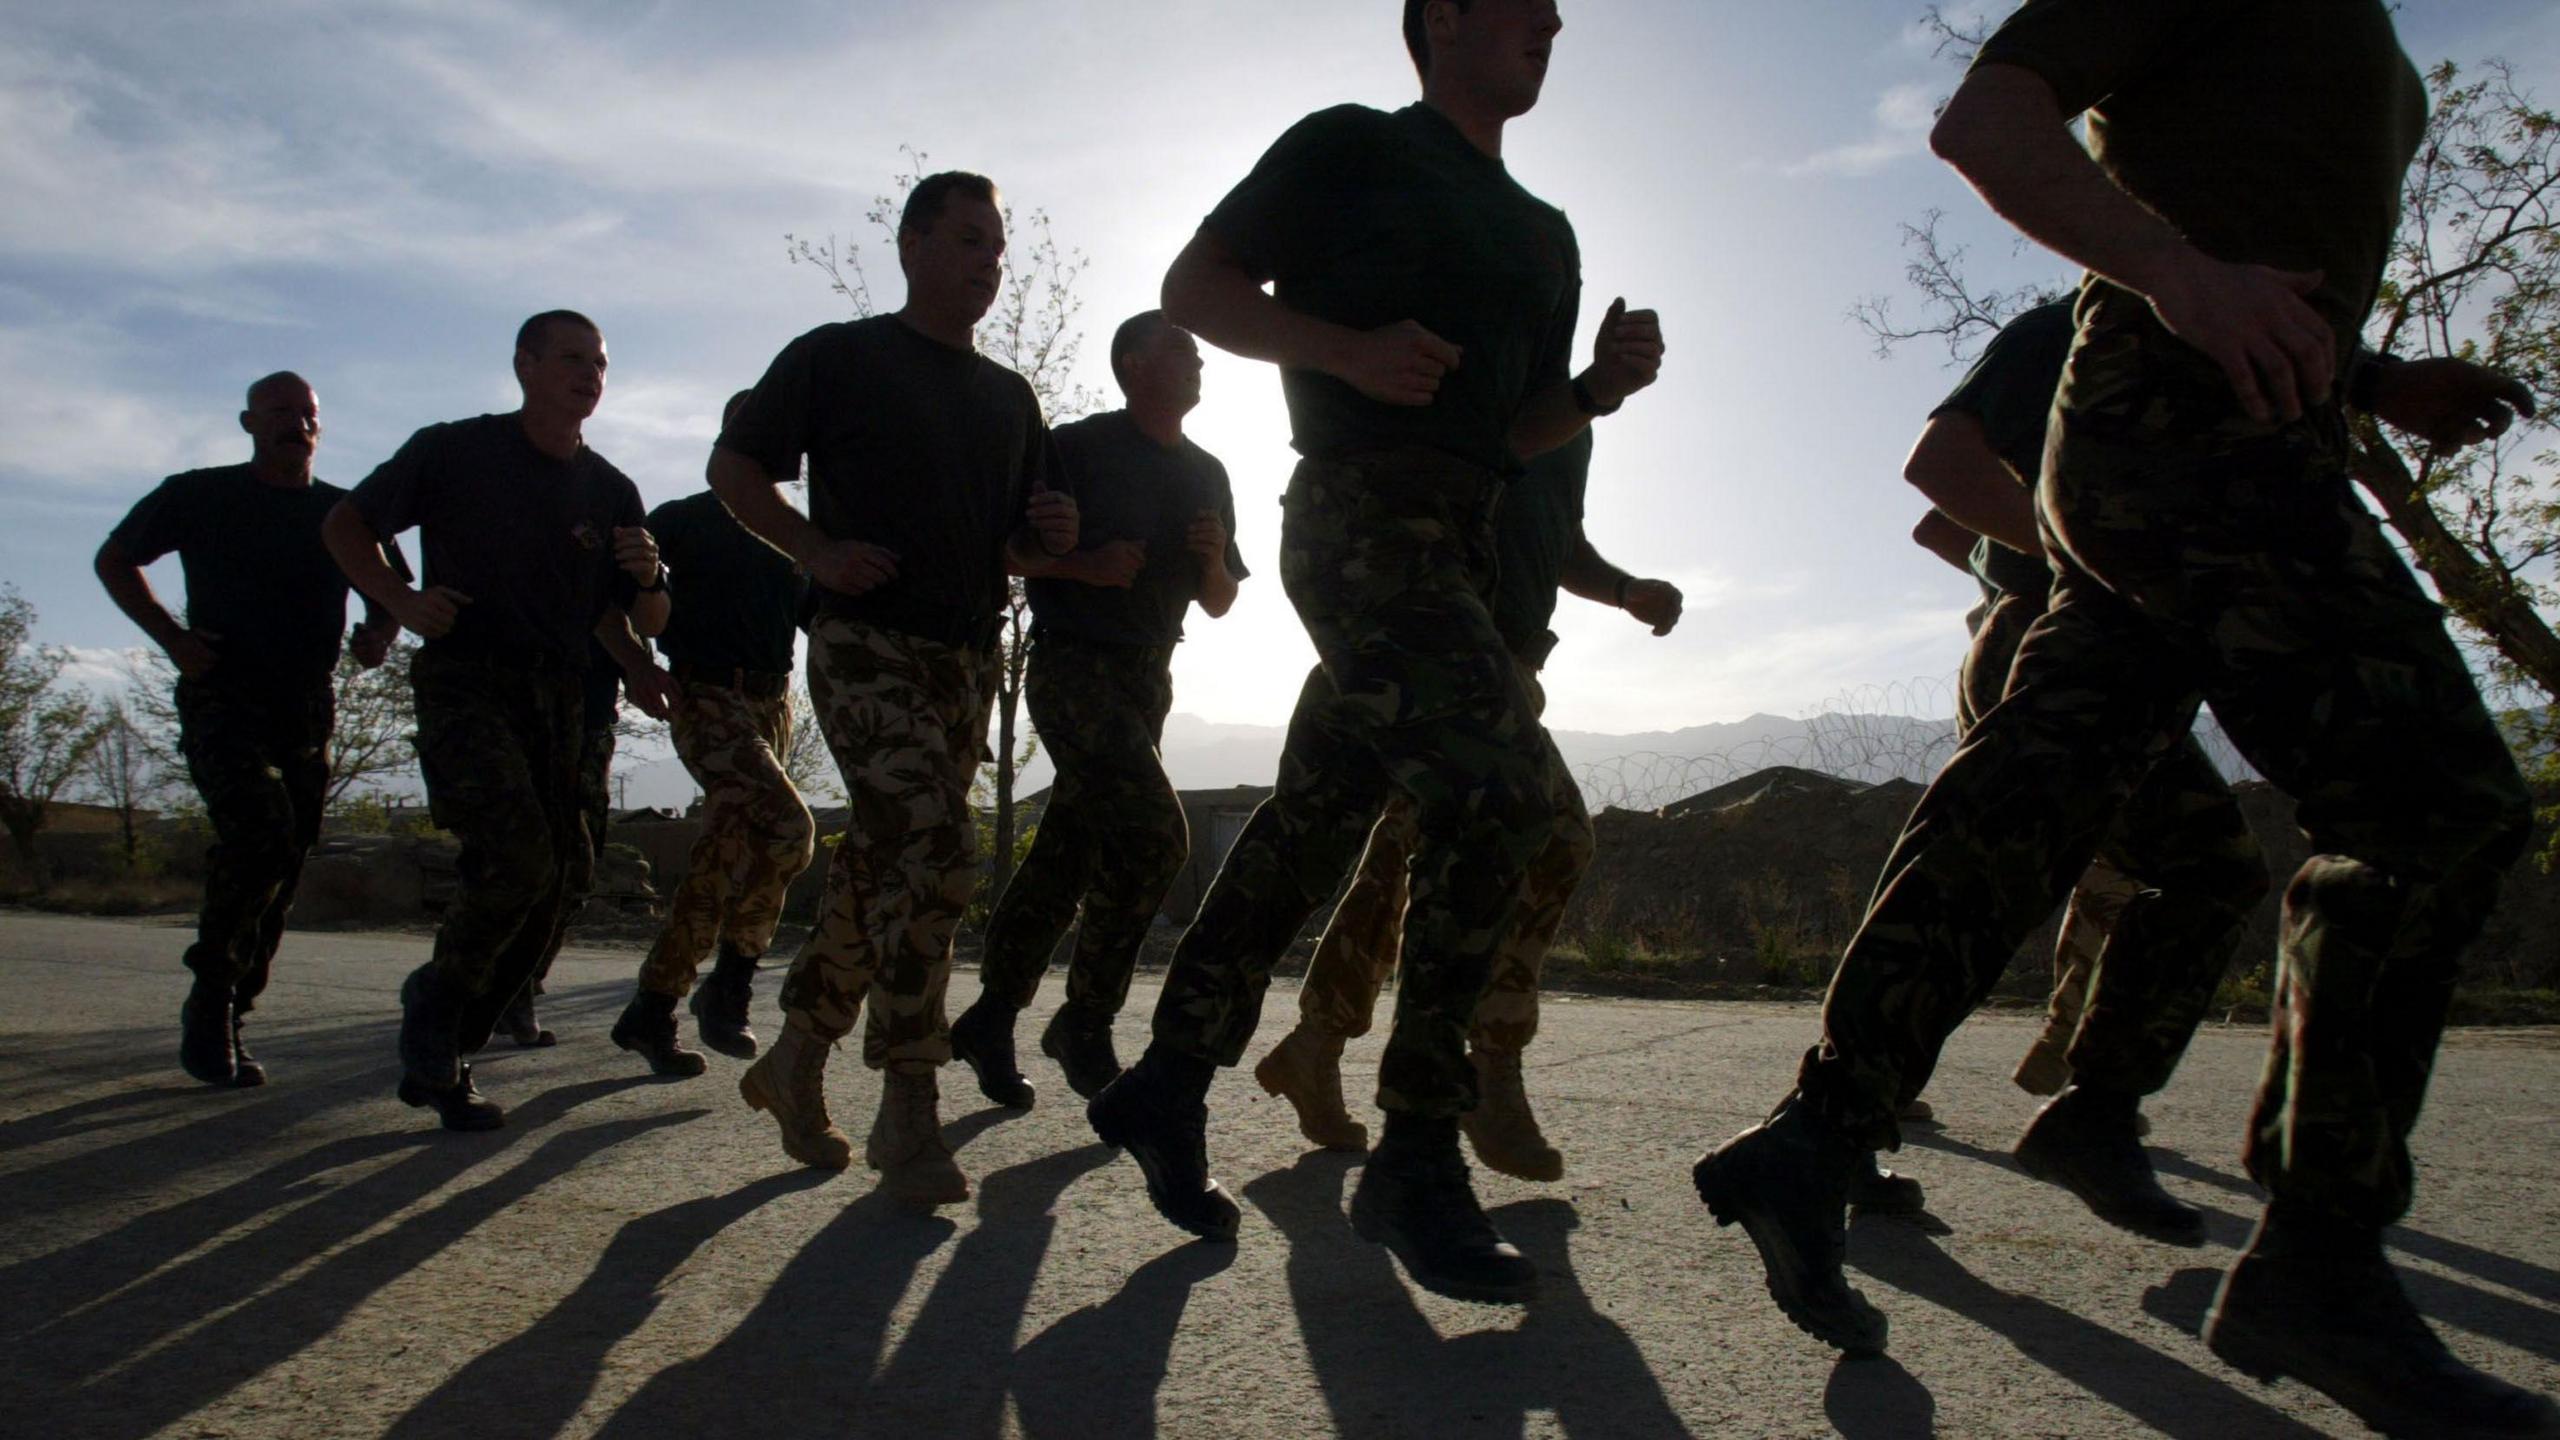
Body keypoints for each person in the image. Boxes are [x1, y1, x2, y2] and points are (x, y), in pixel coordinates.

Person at [1692, 8, 2558, 1434]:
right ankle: (2321, 1267)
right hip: (2183, 425)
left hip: (2218, 429)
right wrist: (2175, 277)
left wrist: (2379, 383)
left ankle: (1820, 1134)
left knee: (2035, 794)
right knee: (2438, 806)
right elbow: (1987, 120)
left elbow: (2255, 223)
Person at [1087, 0, 1663, 1306]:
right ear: (1443, 16)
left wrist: (1594, 397)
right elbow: (1194, 287)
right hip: (1356, 521)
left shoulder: (1545, 234)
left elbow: (1511, 439)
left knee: (1310, 825)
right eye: (1523, 4)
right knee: (1504, 799)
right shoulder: (1354, 146)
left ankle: (1166, 1082)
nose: (1554, 21)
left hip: (1454, 546)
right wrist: (1342, 347)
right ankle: (1414, 1150)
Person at [708, 171, 1079, 1208]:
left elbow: (1002, 543)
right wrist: (815, 550)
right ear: (913, 244)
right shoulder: (839, 356)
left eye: (996, 248)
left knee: (886, 870)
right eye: (967, 240)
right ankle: (909, 1104)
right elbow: (736, 470)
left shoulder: (1011, 398)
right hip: (863, 644)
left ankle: (792, 1061)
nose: (986, 263)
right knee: (935, 843)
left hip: (963, 659)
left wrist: (1039, 543)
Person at [1899, 298, 2271, 1239]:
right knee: (2011, 886)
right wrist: (2071, 563)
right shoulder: (2074, 327)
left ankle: (1843, 1121)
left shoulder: (2216, 339)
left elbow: (1948, 534)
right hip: (2051, 647)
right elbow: (1938, 476)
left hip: (2100, 651)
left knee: (1998, 886)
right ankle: (1843, 1118)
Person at [1251, 430, 1678, 1184]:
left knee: (1408, 852)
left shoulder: (1569, 425)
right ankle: (1485, 1064)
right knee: (1550, 837)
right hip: (1437, 644)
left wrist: (1622, 588)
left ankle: (1314, 1046)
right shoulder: (1494, 379)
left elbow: (1558, 537)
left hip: (1500, 661)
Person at [325, 310, 669, 1131]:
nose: (589, 374)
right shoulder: (453, 451)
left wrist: (651, 583)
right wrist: (401, 601)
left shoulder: (612, 490)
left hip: (562, 699)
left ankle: (449, 1023)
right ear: (525, 365)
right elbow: (345, 525)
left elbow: (640, 618)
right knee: (516, 853)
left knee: (566, 875)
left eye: (601, 363)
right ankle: (441, 1019)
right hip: (468, 683)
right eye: (571, 359)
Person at [947, 311, 1245, 1107]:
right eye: (1184, 349)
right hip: (1074, 665)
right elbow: (1009, 550)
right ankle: (1084, 1019)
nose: (1199, 363)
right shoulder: (1076, 448)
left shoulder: (1209, 472)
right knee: (1154, 836)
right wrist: (1085, 566)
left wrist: (1215, 560)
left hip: (1151, 679)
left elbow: (1219, 601)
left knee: (1066, 857)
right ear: (1136, 363)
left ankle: (989, 1016)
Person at [95, 371, 401, 1087]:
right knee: (258, 831)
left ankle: (234, 1007)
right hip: (223, 694)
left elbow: (389, 591)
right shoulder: (200, 495)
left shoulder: (342, 516)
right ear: (248, 422)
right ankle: (209, 1000)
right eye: (279, 411)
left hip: (305, 705)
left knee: (285, 861)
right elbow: (115, 561)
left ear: (319, 427)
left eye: (307, 414)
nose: (295, 423)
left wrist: (377, 635)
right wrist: (172, 638)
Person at [611, 389, 815, 1075]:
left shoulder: (792, 536)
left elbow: (829, 623)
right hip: (706, 696)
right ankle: (728, 988)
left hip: (771, 704)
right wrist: (638, 665)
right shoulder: (680, 522)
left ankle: (652, 1009)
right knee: (790, 827)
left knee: (725, 856)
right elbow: (611, 603)